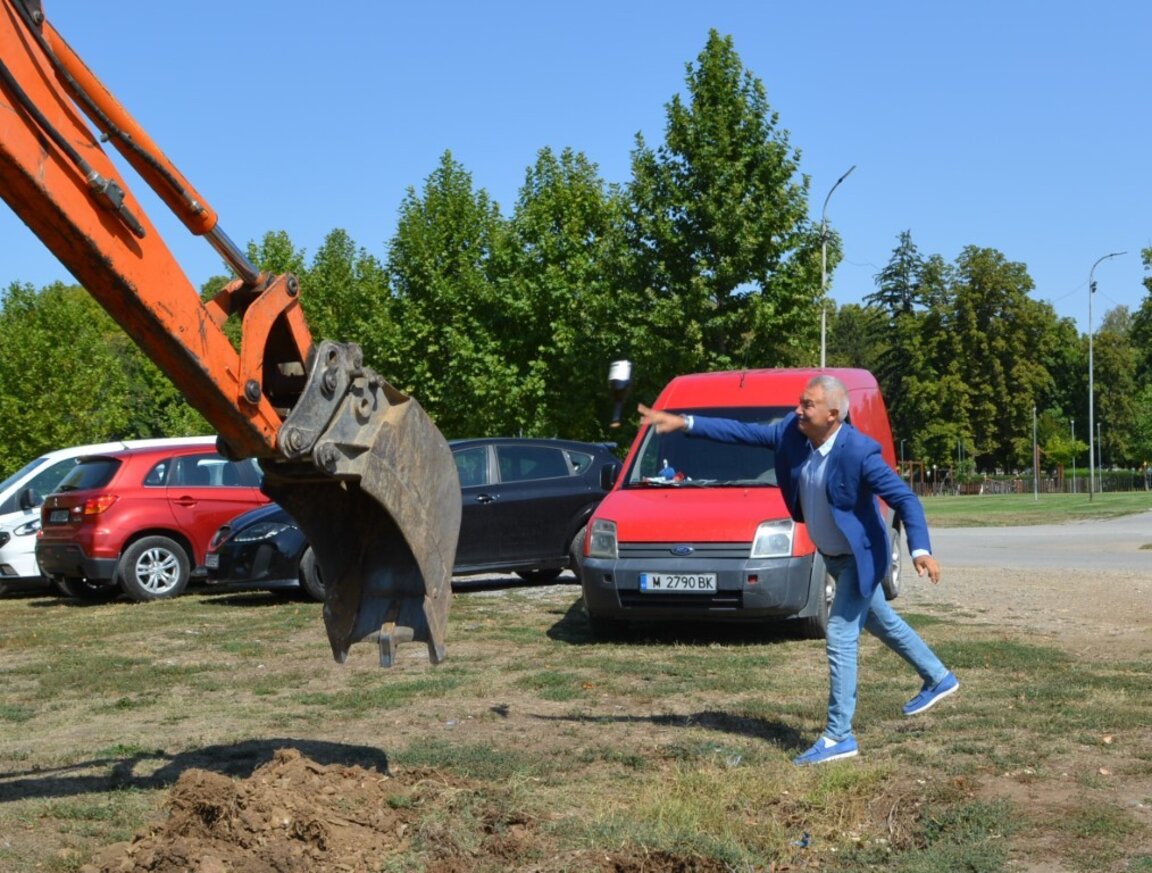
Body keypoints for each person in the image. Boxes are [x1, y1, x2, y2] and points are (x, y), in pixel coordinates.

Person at [638, 374, 958, 766]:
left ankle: (839, 735)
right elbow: (741, 432)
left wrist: (920, 550)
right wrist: (685, 422)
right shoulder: (793, 433)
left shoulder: (859, 452)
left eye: (808, 405)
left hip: (861, 557)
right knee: (881, 621)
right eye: (800, 402)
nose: (798, 411)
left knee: (840, 633)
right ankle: (938, 677)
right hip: (834, 556)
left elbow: (906, 500)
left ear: (834, 414)